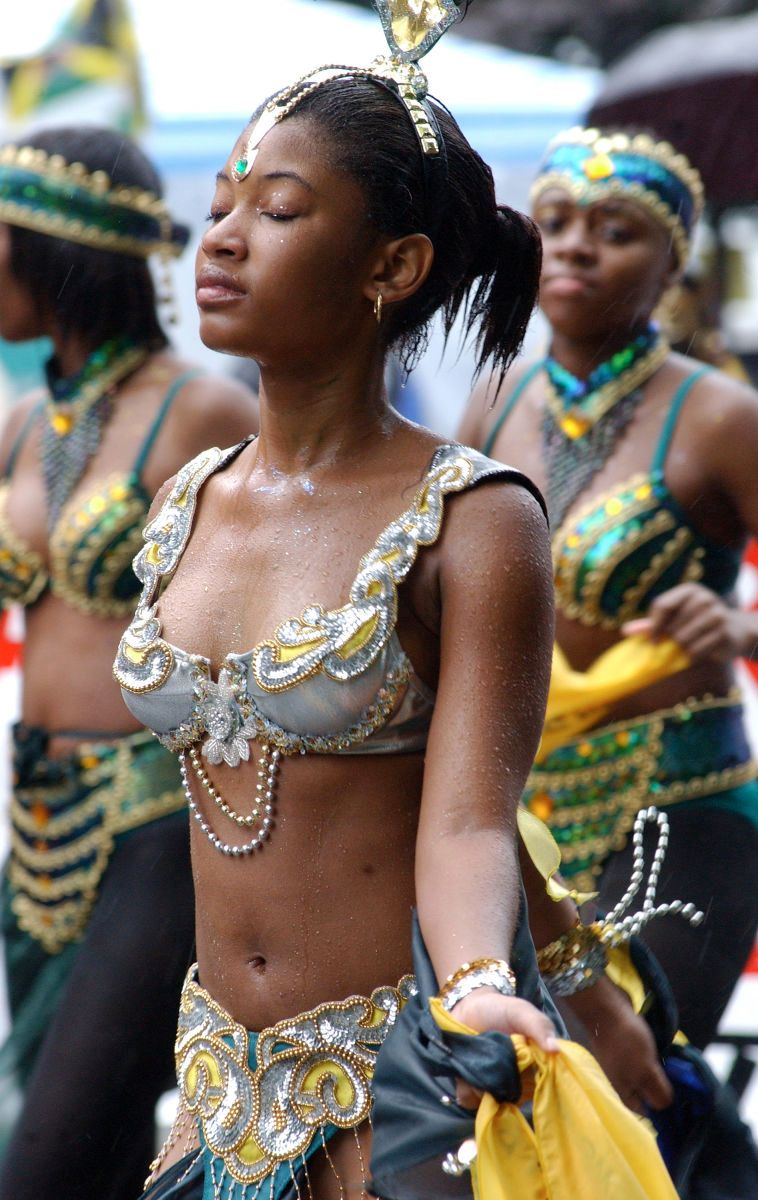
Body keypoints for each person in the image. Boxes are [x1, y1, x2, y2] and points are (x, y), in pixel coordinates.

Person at [114, 12, 681, 1193]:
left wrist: (482, 980)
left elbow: (471, 816)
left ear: (392, 266)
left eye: (273, 212)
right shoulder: (186, 497)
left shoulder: (472, 519)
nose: (219, 241)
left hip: (402, 1093)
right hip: (216, 1088)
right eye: (220, 205)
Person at [459, 126, 758, 1055]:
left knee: (637, 1084)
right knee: (523, 1103)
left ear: (674, 264)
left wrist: (739, 629)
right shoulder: (496, 398)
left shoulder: (717, 413)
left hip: (679, 807)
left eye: (617, 228)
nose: (579, 244)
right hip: (515, 811)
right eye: (556, 221)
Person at [0, 126, 256, 1200]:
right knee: (93, 1150)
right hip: (38, 807)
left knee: (46, 1156)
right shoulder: (19, 424)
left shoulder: (199, 408)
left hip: (156, 816)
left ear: (63, 253)